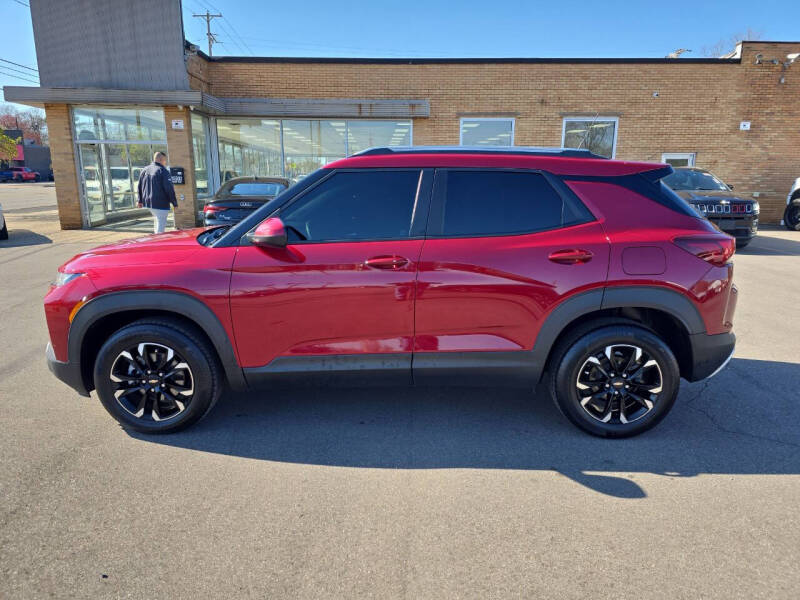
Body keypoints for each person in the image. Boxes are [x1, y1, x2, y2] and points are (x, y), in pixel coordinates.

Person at [137, 151, 177, 234]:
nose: (165, 162)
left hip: (148, 203)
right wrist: (174, 203)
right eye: (165, 160)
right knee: (160, 225)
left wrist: (140, 200)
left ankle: (155, 238)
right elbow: (169, 188)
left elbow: (139, 186)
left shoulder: (144, 170)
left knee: (157, 220)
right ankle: (158, 242)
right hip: (160, 203)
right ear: (161, 159)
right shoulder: (163, 171)